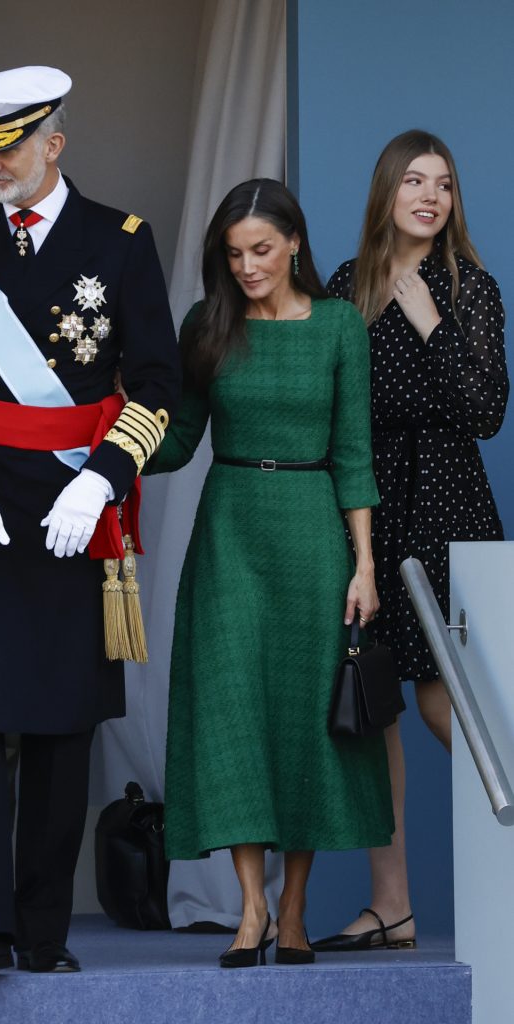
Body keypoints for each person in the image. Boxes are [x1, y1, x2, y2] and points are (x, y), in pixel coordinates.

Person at [0, 65, 180, 980]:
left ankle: (43, 933)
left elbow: (160, 384)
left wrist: (100, 480)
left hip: (69, 508)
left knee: (58, 727)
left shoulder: (118, 241)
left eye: (6, 148)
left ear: (54, 144)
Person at [145, 178, 394, 967]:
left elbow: (354, 453)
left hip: (313, 537)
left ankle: (292, 910)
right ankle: (249, 909)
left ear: (293, 242)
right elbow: (179, 440)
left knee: (300, 725)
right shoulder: (207, 323)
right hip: (230, 538)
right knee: (232, 717)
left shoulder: (338, 327)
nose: (247, 267)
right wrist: (87, 443)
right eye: (233, 254)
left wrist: (364, 566)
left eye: (260, 250)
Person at [313, 130, 509, 952]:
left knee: (452, 702)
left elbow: (484, 414)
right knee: (373, 709)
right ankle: (389, 905)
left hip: (448, 501)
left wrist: (430, 321)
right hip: (364, 507)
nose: (430, 195)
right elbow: (329, 412)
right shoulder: (343, 286)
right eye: (414, 181)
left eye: (445, 184)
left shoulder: (471, 286)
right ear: (386, 192)